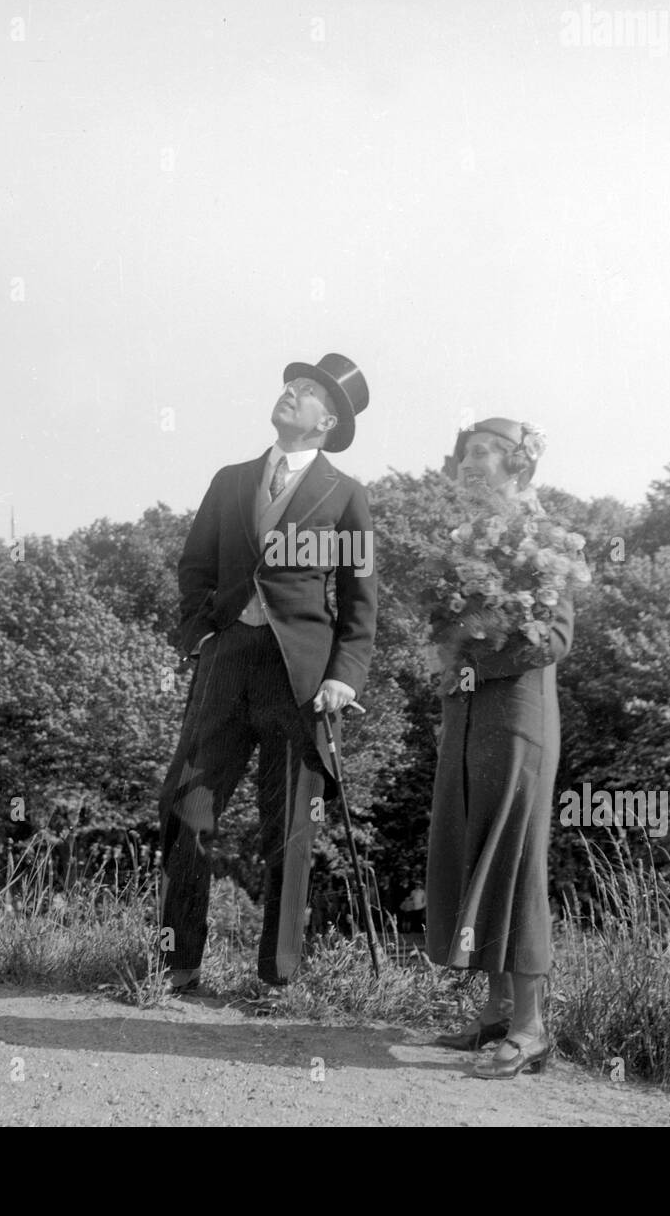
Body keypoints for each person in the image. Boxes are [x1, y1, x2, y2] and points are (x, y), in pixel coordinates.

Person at [156, 354, 376, 995]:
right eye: (291, 384)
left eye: (307, 392)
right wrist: (199, 631)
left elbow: (360, 599)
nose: (291, 393)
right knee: (186, 807)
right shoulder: (230, 480)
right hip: (226, 663)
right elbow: (195, 564)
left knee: (291, 827)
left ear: (327, 421)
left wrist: (344, 677)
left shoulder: (345, 494)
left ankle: (277, 978)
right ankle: (177, 964)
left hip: (300, 678)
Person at [425, 417, 574, 1078]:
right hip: (468, 713)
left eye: (484, 452)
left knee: (513, 858)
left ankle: (530, 1027)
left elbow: (553, 639)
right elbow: (448, 630)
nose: (470, 463)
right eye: (465, 455)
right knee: (472, 847)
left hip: (517, 713)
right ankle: (493, 1016)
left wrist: (479, 647)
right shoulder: (467, 538)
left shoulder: (542, 533)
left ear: (519, 464)